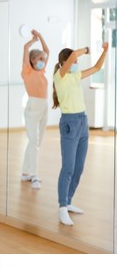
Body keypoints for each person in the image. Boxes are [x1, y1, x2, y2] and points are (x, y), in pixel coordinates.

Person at [52, 42, 108, 225]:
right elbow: (75, 54)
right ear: (64, 63)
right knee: (68, 167)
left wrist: (105, 51)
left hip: (83, 122)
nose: (76, 64)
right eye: (73, 61)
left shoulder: (75, 75)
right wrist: (88, 49)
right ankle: (62, 207)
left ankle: (68, 201)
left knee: (79, 168)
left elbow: (98, 67)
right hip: (69, 123)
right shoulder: (59, 76)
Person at [20, 29, 49, 190]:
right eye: (39, 59)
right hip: (33, 107)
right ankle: (34, 175)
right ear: (32, 60)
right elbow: (25, 48)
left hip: (44, 106)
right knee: (33, 141)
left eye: (43, 60)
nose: (43, 61)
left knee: (37, 142)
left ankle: (25, 172)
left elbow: (47, 51)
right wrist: (34, 39)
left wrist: (42, 36)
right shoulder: (27, 71)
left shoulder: (42, 71)